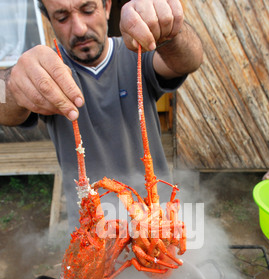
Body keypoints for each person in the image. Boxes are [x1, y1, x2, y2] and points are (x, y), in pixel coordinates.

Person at [0, 0, 203, 231]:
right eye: (62, 17)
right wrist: (12, 81)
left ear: (107, 7)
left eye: (88, 10)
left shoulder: (138, 53)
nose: (79, 29)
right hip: (94, 231)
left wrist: (168, 31)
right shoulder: (46, 75)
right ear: (49, 19)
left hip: (157, 220)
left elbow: (190, 60)